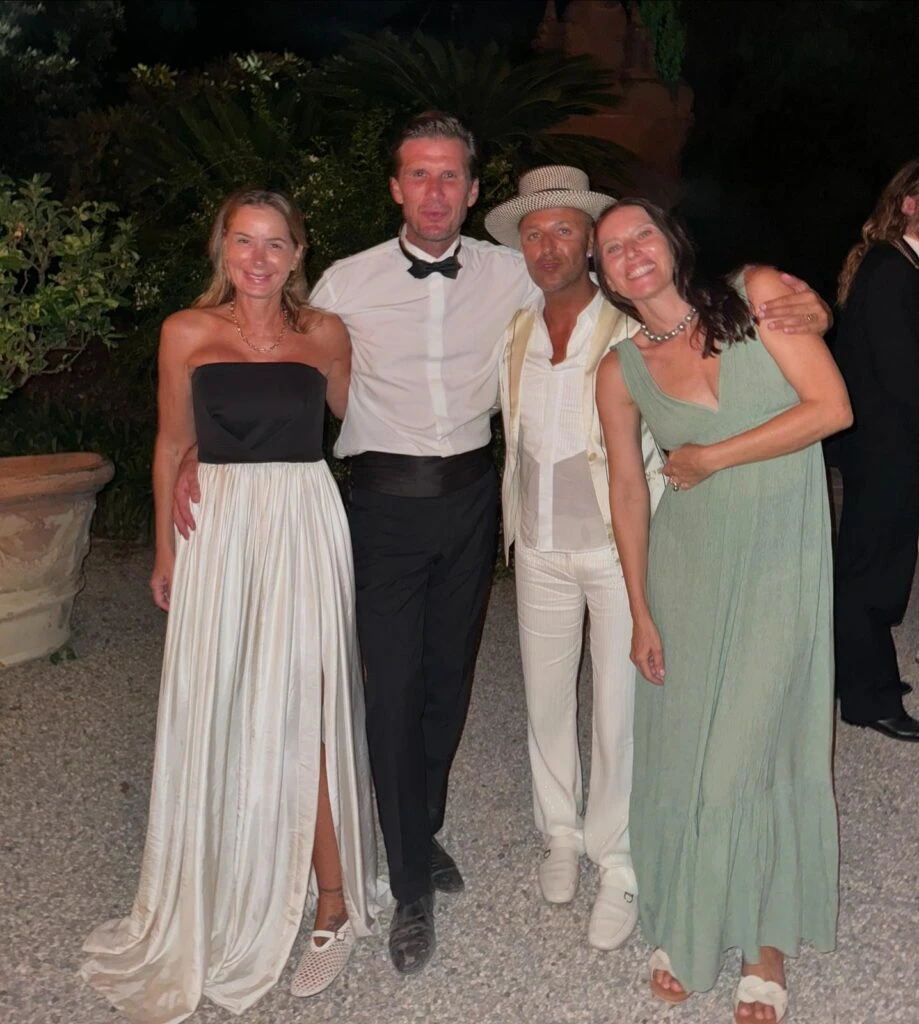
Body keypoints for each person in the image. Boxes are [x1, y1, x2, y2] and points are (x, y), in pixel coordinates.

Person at [171, 113, 831, 975]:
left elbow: (673, 301)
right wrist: (207, 445)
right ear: (395, 187)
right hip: (383, 501)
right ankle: (410, 878)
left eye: (450, 175)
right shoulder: (344, 281)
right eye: (418, 174)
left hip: (475, 502)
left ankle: (448, 830)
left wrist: (805, 302)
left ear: (474, 189)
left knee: (451, 685)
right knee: (393, 686)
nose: (434, 191)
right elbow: (276, 352)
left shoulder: (520, 276)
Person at [80, 189, 382, 1023]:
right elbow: (171, 441)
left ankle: (331, 902)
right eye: (243, 241)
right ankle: (225, 879)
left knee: (309, 703)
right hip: (215, 523)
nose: (258, 257)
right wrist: (166, 549)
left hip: (303, 520)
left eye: (274, 243)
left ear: (297, 255)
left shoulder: (326, 334)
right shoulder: (186, 331)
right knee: (221, 698)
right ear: (222, 249)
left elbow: (363, 419)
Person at [594, 199, 850, 1022]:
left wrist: (711, 456)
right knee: (686, 744)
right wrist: (639, 610)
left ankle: (761, 940)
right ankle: (698, 908)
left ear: (671, 242)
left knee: (744, 747)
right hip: (686, 568)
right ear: (603, 277)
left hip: (778, 557)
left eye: (641, 233)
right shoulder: (619, 370)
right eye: (611, 248)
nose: (630, 251)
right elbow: (626, 491)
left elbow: (829, 409)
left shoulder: (757, 295)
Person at [485, 167, 664, 951]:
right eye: (533, 233)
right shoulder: (516, 330)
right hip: (538, 542)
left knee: (619, 711)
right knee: (545, 698)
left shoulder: (631, 328)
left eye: (562, 229)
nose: (547, 245)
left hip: (615, 547)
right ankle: (559, 831)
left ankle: (617, 859)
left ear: (589, 241)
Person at [833, 158, 919, 742]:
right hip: (886, 447)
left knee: (881, 564)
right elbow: (902, 375)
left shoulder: (901, 266)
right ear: (909, 204)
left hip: (891, 444)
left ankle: (863, 678)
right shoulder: (890, 270)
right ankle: (867, 698)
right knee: (871, 572)